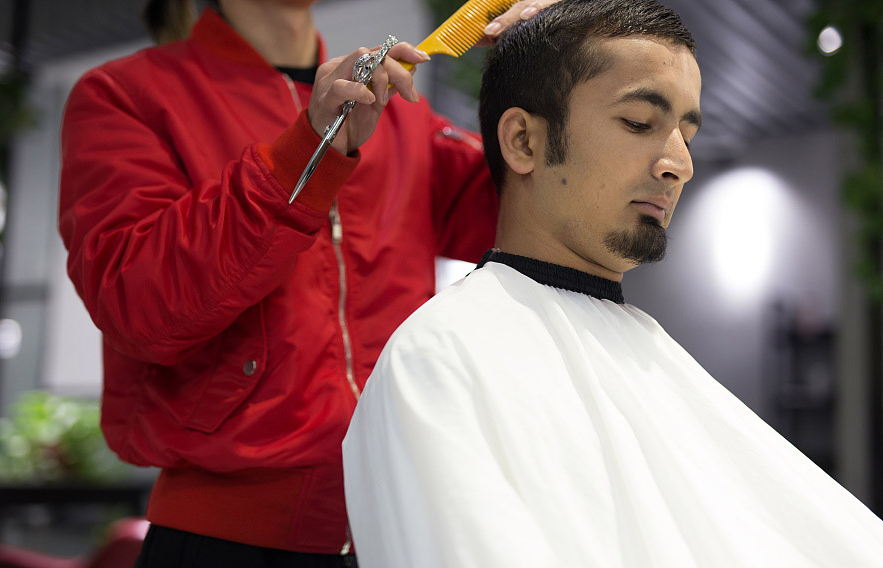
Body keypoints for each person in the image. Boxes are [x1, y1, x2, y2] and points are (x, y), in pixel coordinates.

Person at [341, 0, 883, 566]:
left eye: (687, 133)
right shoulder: (438, 361)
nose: (679, 163)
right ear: (523, 141)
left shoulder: (645, 350)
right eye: (639, 123)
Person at [58, 0, 556, 565]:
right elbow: (139, 305)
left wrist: (548, 74)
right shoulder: (126, 95)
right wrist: (309, 148)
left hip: (398, 529)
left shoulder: (402, 112)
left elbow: (546, 220)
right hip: (225, 541)